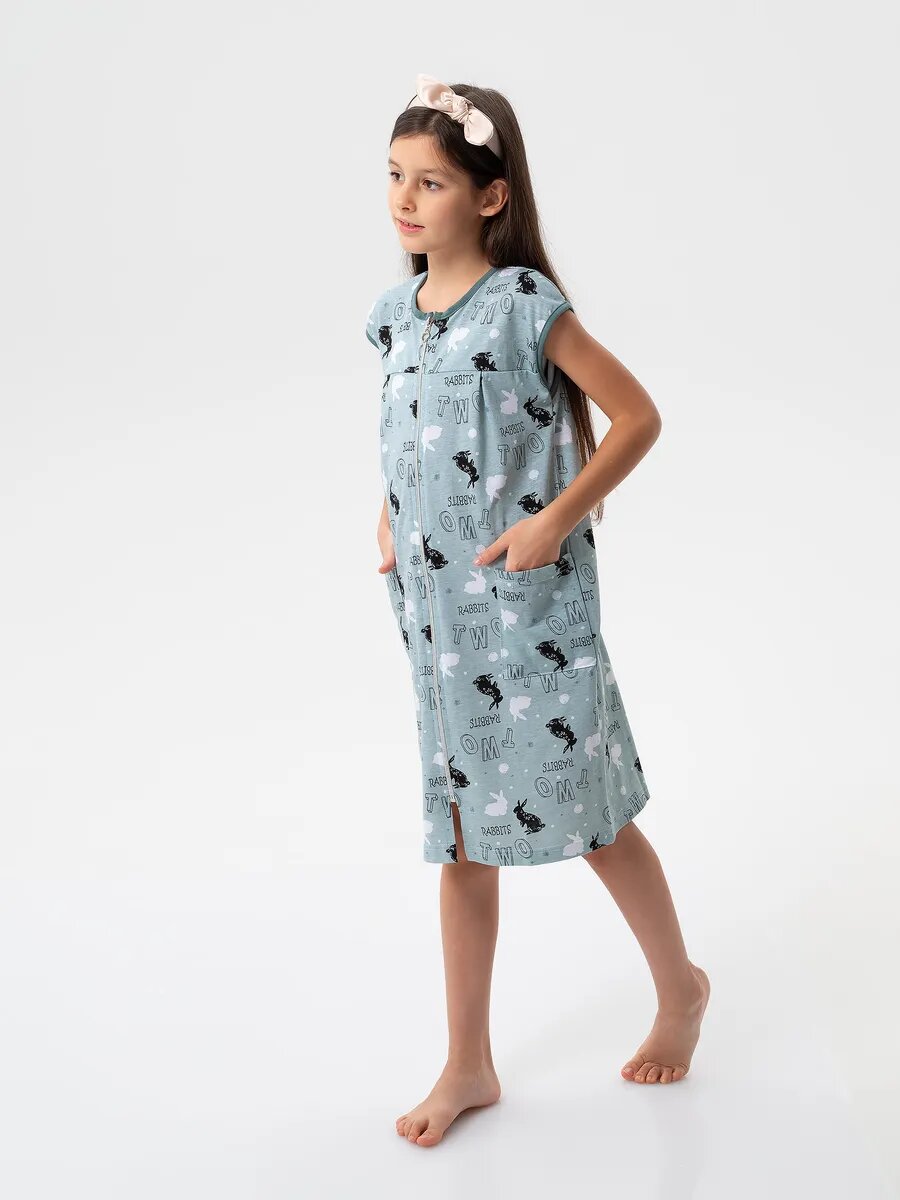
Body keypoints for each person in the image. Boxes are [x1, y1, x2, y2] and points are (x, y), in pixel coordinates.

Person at [365, 73, 710, 1147]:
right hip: (437, 624)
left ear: (491, 195)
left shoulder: (524, 306)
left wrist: (556, 520)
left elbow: (637, 416)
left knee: (593, 814)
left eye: (431, 181)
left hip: (531, 612)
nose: (405, 198)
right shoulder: (394, 317)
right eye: (395, 176)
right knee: (462, 837)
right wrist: (388, 511)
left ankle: (681, 987)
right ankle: (468, 1062)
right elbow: (411, 430)